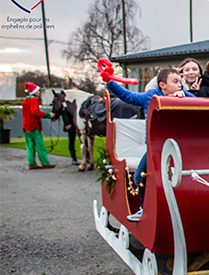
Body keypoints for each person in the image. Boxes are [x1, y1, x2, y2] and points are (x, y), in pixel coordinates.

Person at [102, 68, 196, 222]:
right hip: (155, 149)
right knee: (140, 177)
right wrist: (110, 83)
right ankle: (144, 210)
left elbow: (196, 101)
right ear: (162, 85)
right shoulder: (149, 97)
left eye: (180, 82)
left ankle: (175, 211)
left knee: (176, 179)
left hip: (176, 149)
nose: (180, 85)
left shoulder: (183, 98)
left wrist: (186, 95)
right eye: (175, 81)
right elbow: (128, 96)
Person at [22, 82, 56, 169]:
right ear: (34, 91)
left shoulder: (25, 100)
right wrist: (48, 115)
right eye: (38, 91)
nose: (39, 92)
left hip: (26, 126)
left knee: (30, 146)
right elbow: (35, 112)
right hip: (34, 126)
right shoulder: (34, 100)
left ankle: (32, 164)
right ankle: (45, 162)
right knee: (40, 145)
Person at [61, 96, 80, 165]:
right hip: (71, 124)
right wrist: (68, 123)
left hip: (78, 124)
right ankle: (74, 158)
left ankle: (86, 157)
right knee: (72, 141)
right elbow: (64, 114)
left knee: (83, 141)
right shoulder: (67, 104)